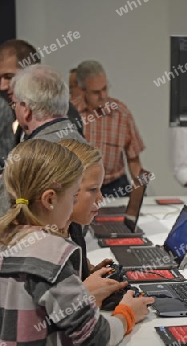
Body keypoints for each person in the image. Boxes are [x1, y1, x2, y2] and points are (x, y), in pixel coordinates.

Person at [0, 139, 154, 346]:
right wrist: (128, 312)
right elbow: (95, 336)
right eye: (73, 197)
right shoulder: (52, 254)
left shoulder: (7, 239)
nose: (74, 207)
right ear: (50, 199)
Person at [0, 63, 87, 218]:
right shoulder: (82, 145)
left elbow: (4, 213)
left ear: (26, 109)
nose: (14, 109)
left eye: (15, 104)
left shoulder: (32, 156)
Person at [58, 138, 129, 304]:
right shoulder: (46, 247)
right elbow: (60, 315)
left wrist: (89, 272)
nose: (100, 197)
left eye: (100, 188)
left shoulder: (73, 228)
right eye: (92, 189)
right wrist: (127, 315)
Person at [72, 60, 145, 198]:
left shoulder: (121, 113)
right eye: (96, 92)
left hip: (114, 186)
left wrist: (140, 192)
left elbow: (133, 159)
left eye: (105, 89)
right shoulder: (70, 113)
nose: (102, 96)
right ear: (82, 90)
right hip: (79, 186)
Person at [0, 39, 84, 140]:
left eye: (9, 77)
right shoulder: (18, 112)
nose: (2, 86)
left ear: (32, 72)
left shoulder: (60, 114)